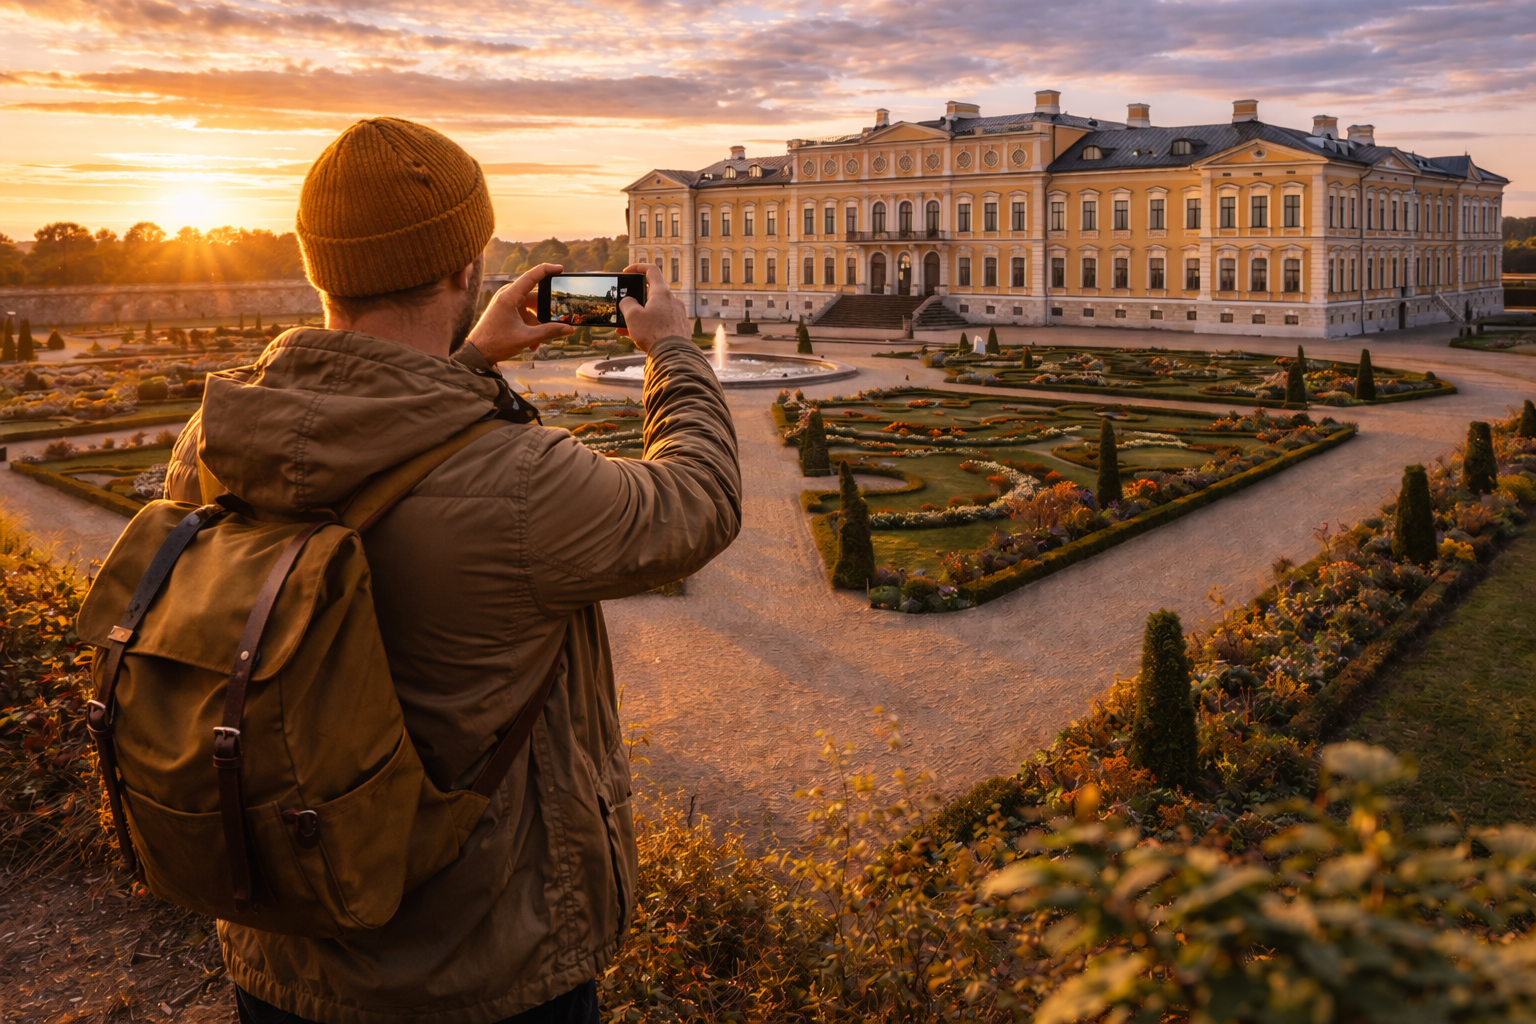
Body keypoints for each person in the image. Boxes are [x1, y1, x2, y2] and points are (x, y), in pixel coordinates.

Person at [163, 117, 741, 1024]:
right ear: (467, 268)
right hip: (489, 964)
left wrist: (468, 358)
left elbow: (369, 445)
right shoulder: (520, 479)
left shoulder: (216, 436)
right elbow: (698, 501)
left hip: (284, 947)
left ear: (320, 266)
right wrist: (669, 349)